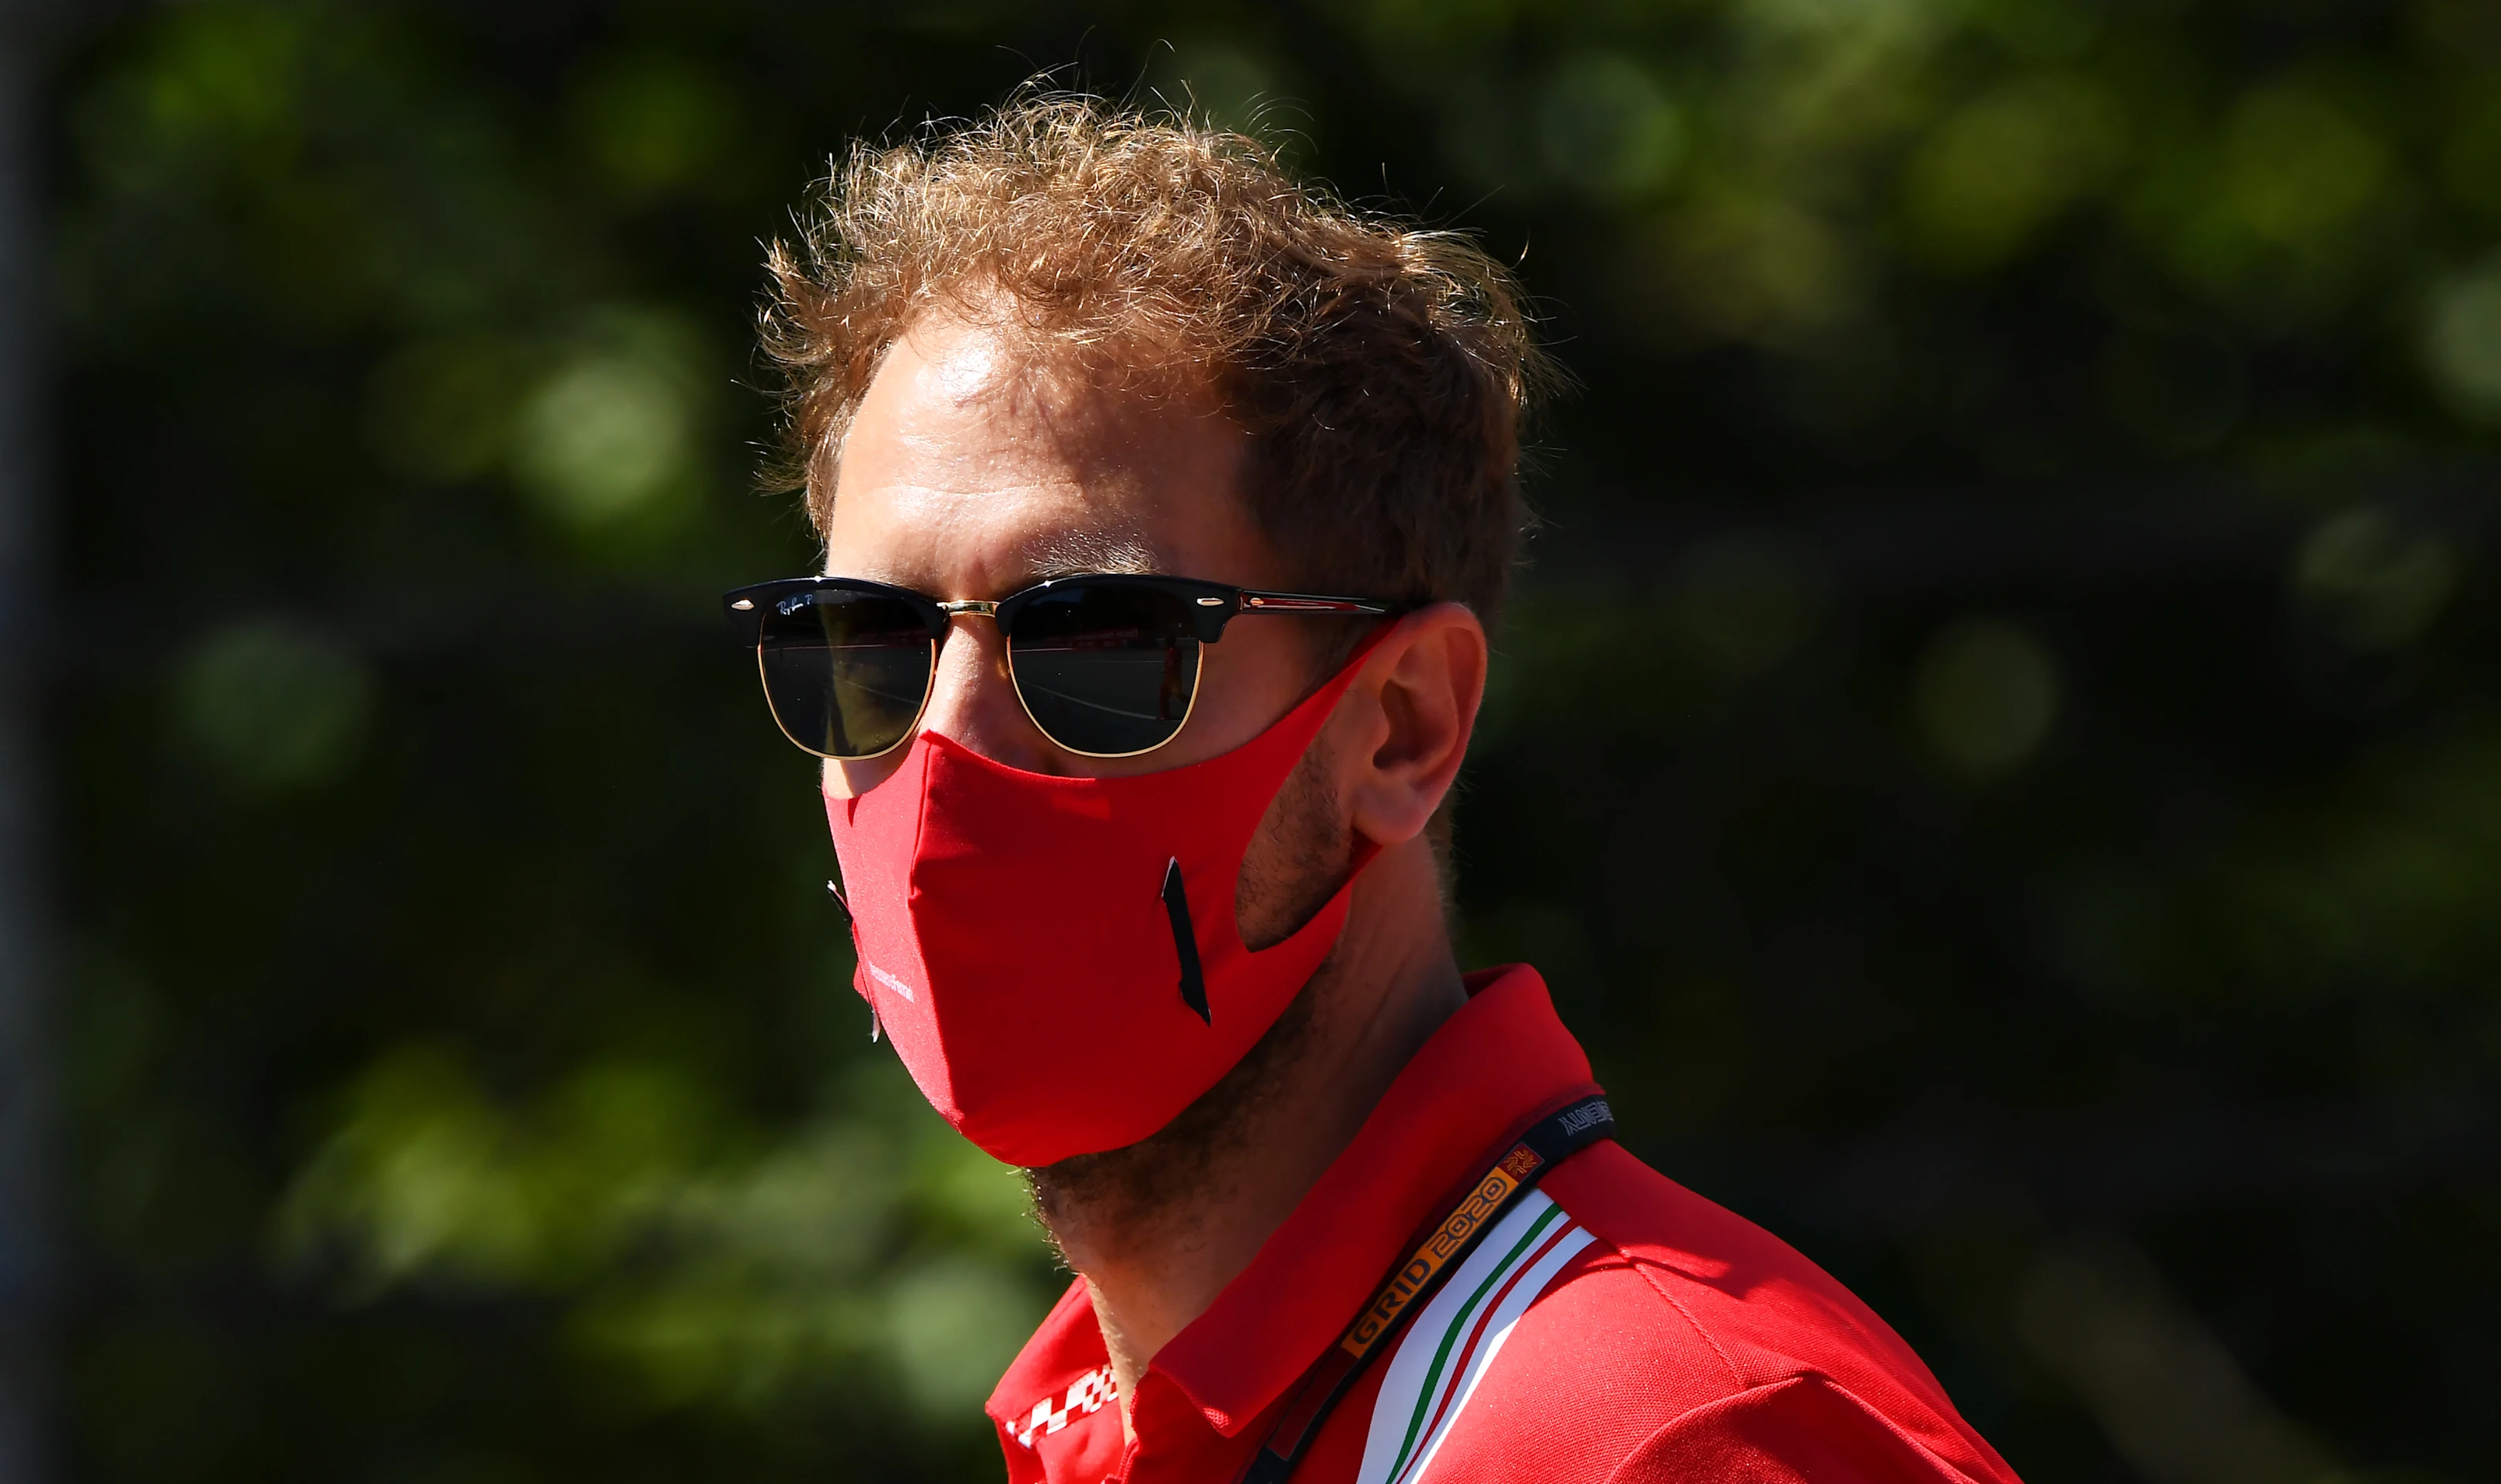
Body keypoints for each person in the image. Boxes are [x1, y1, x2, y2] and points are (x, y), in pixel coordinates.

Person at [727, 95, 2021, 1484]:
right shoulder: (1114, 1430)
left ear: (1402, 727)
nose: (950, 746)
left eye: (1095, 642)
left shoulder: (1676, 1441)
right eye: (863, 645)